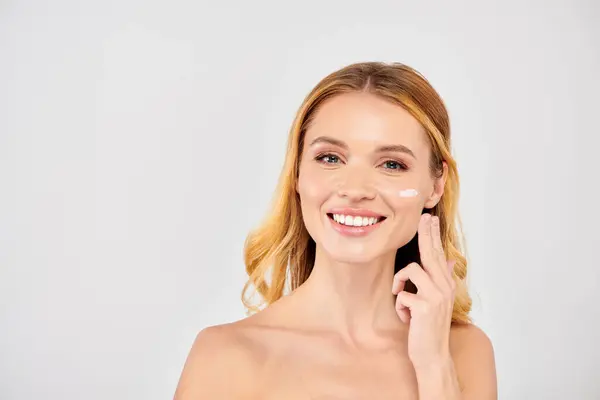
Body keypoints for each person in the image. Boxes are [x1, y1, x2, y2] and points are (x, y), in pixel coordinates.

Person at [174, 61, 497, 399]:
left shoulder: (463, 351)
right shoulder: (225, 357)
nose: (355, 189)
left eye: (391, 164)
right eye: (330, 158)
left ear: (435, 184)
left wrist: (434, 367)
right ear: (297, 173)